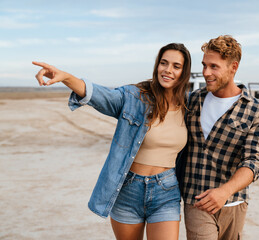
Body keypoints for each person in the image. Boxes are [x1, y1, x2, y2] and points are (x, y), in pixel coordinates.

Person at [33, 43, 191, 240]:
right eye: (163, 63)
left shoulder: (190, 106)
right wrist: (65, 77)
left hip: (166, 191)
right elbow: (101, 95)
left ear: (184, 72)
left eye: (176, 66)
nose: (168, 70)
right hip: (128, 190)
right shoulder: (135, 97)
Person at [177, 35, 259, 240]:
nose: (206, 73)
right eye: (204, 65)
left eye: (214, 66)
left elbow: (253, 161)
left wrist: (224, 192)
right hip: (197, 200)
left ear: (233, 67)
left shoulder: (256, 111)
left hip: (235, 203)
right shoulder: (192, 100)